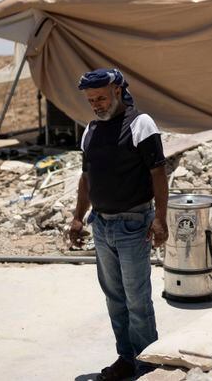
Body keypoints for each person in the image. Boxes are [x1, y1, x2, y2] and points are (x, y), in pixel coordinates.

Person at [69, 68, 169, 381]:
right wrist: (76, 216)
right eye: (90, 100)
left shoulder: (140, 124)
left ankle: (148, 364)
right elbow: (86, 178)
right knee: (115, 298)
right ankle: (126, 358)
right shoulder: (91, 131)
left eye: (101, 97)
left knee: (137, 299)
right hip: (101, 224)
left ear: (117, 91)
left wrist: (160, 219)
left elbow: (158, 174)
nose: (96, 104)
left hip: (133, 224)